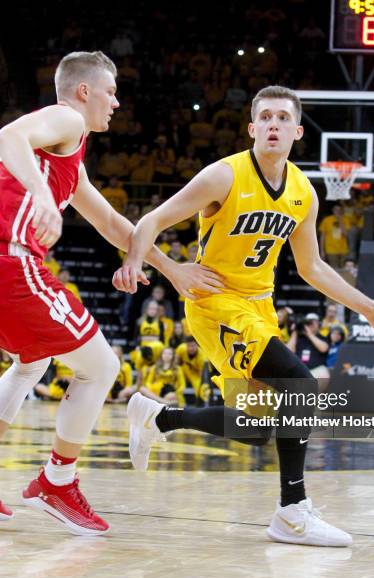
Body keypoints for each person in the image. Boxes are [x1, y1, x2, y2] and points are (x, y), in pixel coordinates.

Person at [113, 85, 374, 547]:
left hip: (259, 307)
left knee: (257, 427)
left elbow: (312, 268)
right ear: (252, 128)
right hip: (215, 303)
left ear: (297, 131)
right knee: (301, 384)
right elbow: (150, 222)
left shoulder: (304, 192)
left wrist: (369, 308)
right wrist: (156, 267)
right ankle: (292, 512)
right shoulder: (223, 176)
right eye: (265, 117)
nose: (273, 124)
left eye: (282, 118)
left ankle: (158, 419)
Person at [0, 51, 222, 530]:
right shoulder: (66, 120)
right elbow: (7, 136)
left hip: (9, 264)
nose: (116, 103)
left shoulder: (71, 159)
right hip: (9, 262)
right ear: (85, 91)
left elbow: (110, 223)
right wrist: (41, 195)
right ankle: (57, 482)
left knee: (31, 362)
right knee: (102, 366)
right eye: (111, 91)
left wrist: (166, 267)